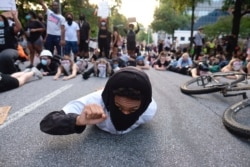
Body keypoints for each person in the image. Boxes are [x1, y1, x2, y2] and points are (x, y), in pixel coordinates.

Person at [40, 66, 157, 135]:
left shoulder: (149, 110)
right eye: (118, 107)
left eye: (133, 109)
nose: (125, 113)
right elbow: (47, 123)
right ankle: (101, 89)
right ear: (108, 99)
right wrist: (77, 120)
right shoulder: (95, 101)